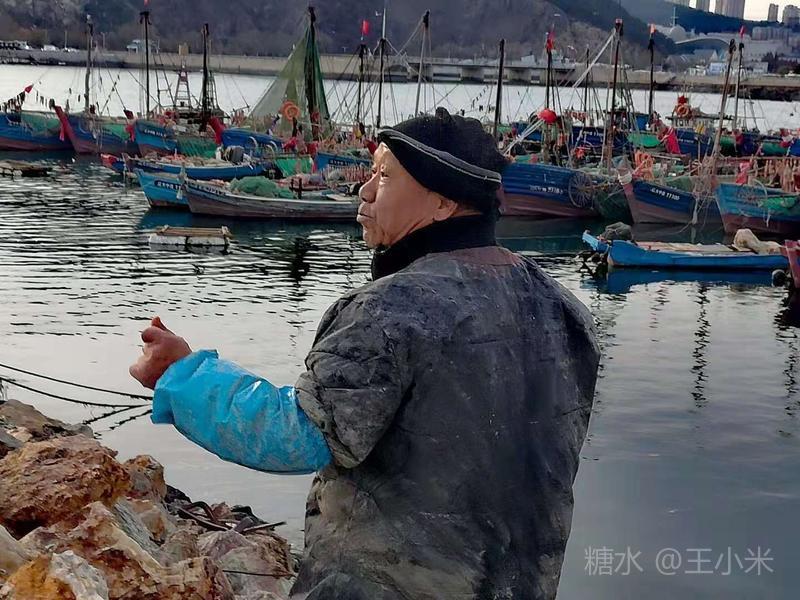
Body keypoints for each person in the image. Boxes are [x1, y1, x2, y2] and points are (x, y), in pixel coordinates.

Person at [130, 107, 600, 600]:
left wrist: (181, 374)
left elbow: (296, 435)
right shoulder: (565, 308)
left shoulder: (391, 309)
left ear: (444, 203)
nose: (366, 190)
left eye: (385, 175)